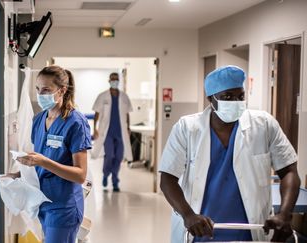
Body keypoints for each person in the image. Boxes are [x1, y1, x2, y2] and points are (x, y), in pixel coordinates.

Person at [159, 65, 300, 242]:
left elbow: (289, 171)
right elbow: (167, 179)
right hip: (200, 231)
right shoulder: (187, 128)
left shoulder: (264, 125)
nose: (236, 102)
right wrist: (188, 215)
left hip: (251, 230)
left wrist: (285, 214)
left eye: (240, 96)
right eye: (227, 97)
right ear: (211, 98)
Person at [17, 65, 92, 243]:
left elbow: (80, 175)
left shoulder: (75, 122)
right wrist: (19, 173)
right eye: (37, 89)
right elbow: (39, 160)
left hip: (64, 206)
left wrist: (44, 162)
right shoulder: (39, 119)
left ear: (62, 90)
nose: (40, 94)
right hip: (43, 201)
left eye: (46, 90)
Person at [92, 72, 133, 191]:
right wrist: (94, 128)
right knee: (109, 155)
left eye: (116, 79)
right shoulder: (102, 96)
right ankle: (105, 175)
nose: (114, 81)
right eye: (112, 79)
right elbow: (97, 113)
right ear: (109, 80)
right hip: (107, 132)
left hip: (120, 132)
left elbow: (127, 114)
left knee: (119, 157)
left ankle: (115, 180)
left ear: (119, 80)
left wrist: (128, 127)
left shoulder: (124, 97)